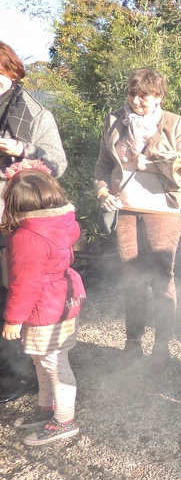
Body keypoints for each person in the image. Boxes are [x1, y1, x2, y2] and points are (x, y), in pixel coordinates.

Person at [94, 69, 181, 371]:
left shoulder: (174, 123)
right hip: (126, 209)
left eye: (144, 94)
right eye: (132, 93)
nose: (136, 99)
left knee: (161, 278)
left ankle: (162, 347)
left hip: (163, 210)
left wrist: (154, 166)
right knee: (131, 278)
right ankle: (132, 346)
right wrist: (103, 193)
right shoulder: (114, 119)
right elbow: (103, 165)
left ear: (159, 95)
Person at [0, 41, 68, 403]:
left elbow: (57, 163)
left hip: (14, 212)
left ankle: (19, 372)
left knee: (13, 289)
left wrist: (24, 150)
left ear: (11, 72)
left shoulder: (34, 112)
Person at [1, 162, 85, 445]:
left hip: (44, 309)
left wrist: (13, 319)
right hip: (62, 301)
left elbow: (25, 283)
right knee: (44, 360)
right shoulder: (59, 223)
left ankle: (64, 420)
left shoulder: (27, 237)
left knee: (53, 363)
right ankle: (47, 408)